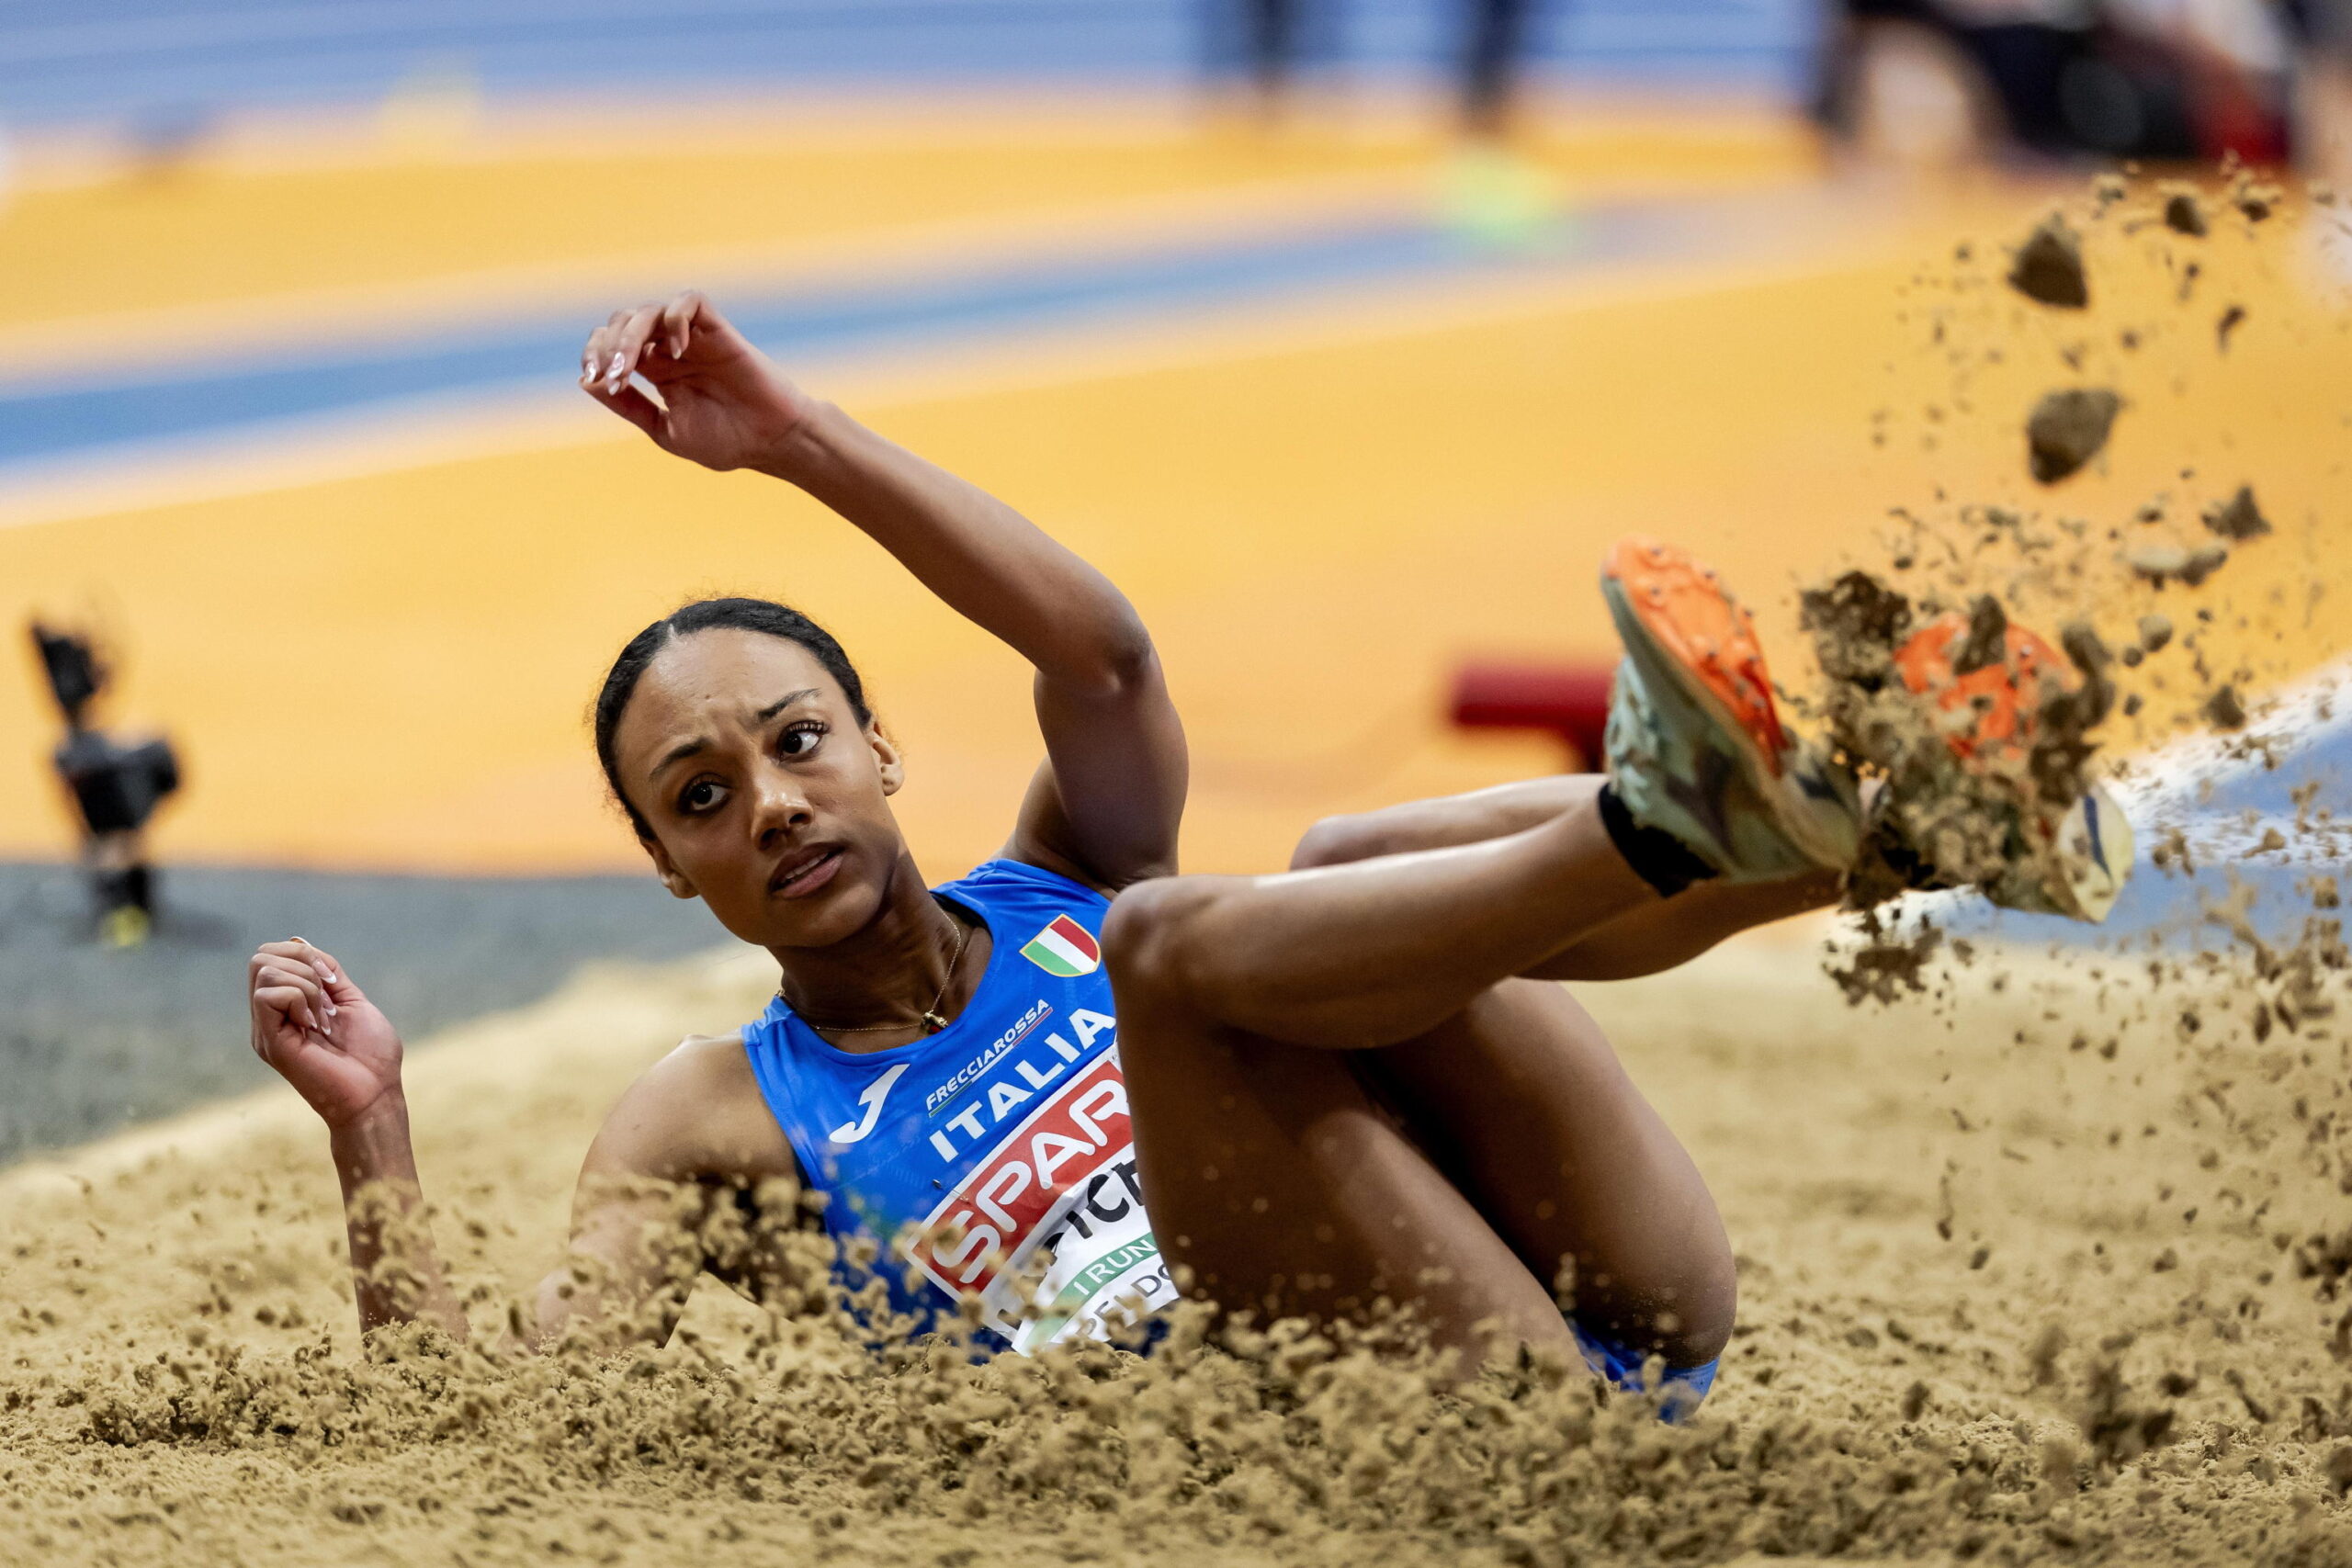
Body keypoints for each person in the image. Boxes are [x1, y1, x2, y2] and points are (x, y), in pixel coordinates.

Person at [246, 291, 2129, 1414]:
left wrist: (804, 440)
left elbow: (1105, 655)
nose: (774, 803)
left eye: (797, 741)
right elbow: (495, 1425)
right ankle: (1682, 821)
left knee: (1327, 860)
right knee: (1175, 943)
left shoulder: (1056, 869)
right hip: (1375, 1435)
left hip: (1608, 1288)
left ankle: (1898, 836)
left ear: (881, 752)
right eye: (702, 797)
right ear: (674, 869)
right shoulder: (712, 1115)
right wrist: (371, 1125)